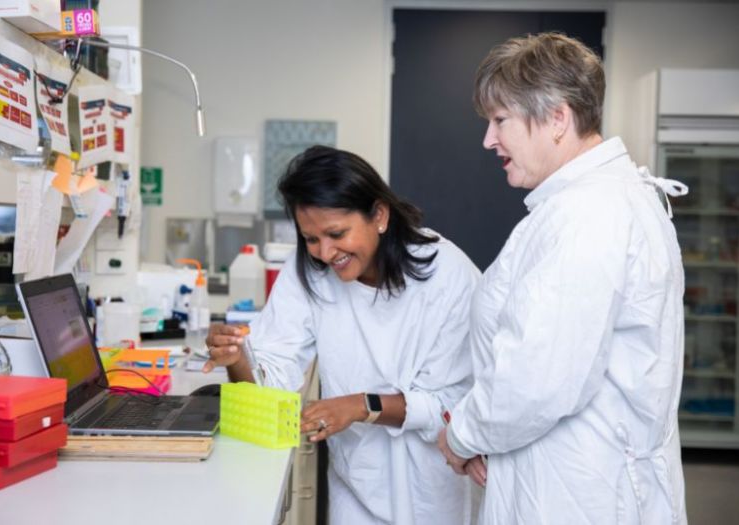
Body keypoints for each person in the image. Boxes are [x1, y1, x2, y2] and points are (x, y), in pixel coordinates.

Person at [438, 32, 688, 524]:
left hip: (577, 492)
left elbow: (536, 380)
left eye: (500, 120)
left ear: (557, 118)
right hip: (578, 478)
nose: (489, 140)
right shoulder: (595, 202)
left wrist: (461, 436)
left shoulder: (587, 215)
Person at [205, 145, 481, 524]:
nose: (325, 252)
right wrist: (238, 358)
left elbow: (452, 404)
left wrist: (359, 406)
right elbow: (271, 382)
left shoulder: (447, 276)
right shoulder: (309, 270)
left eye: (336, 233)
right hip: (356, 486)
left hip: (432, 491)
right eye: (311, 239)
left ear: (379, 215)